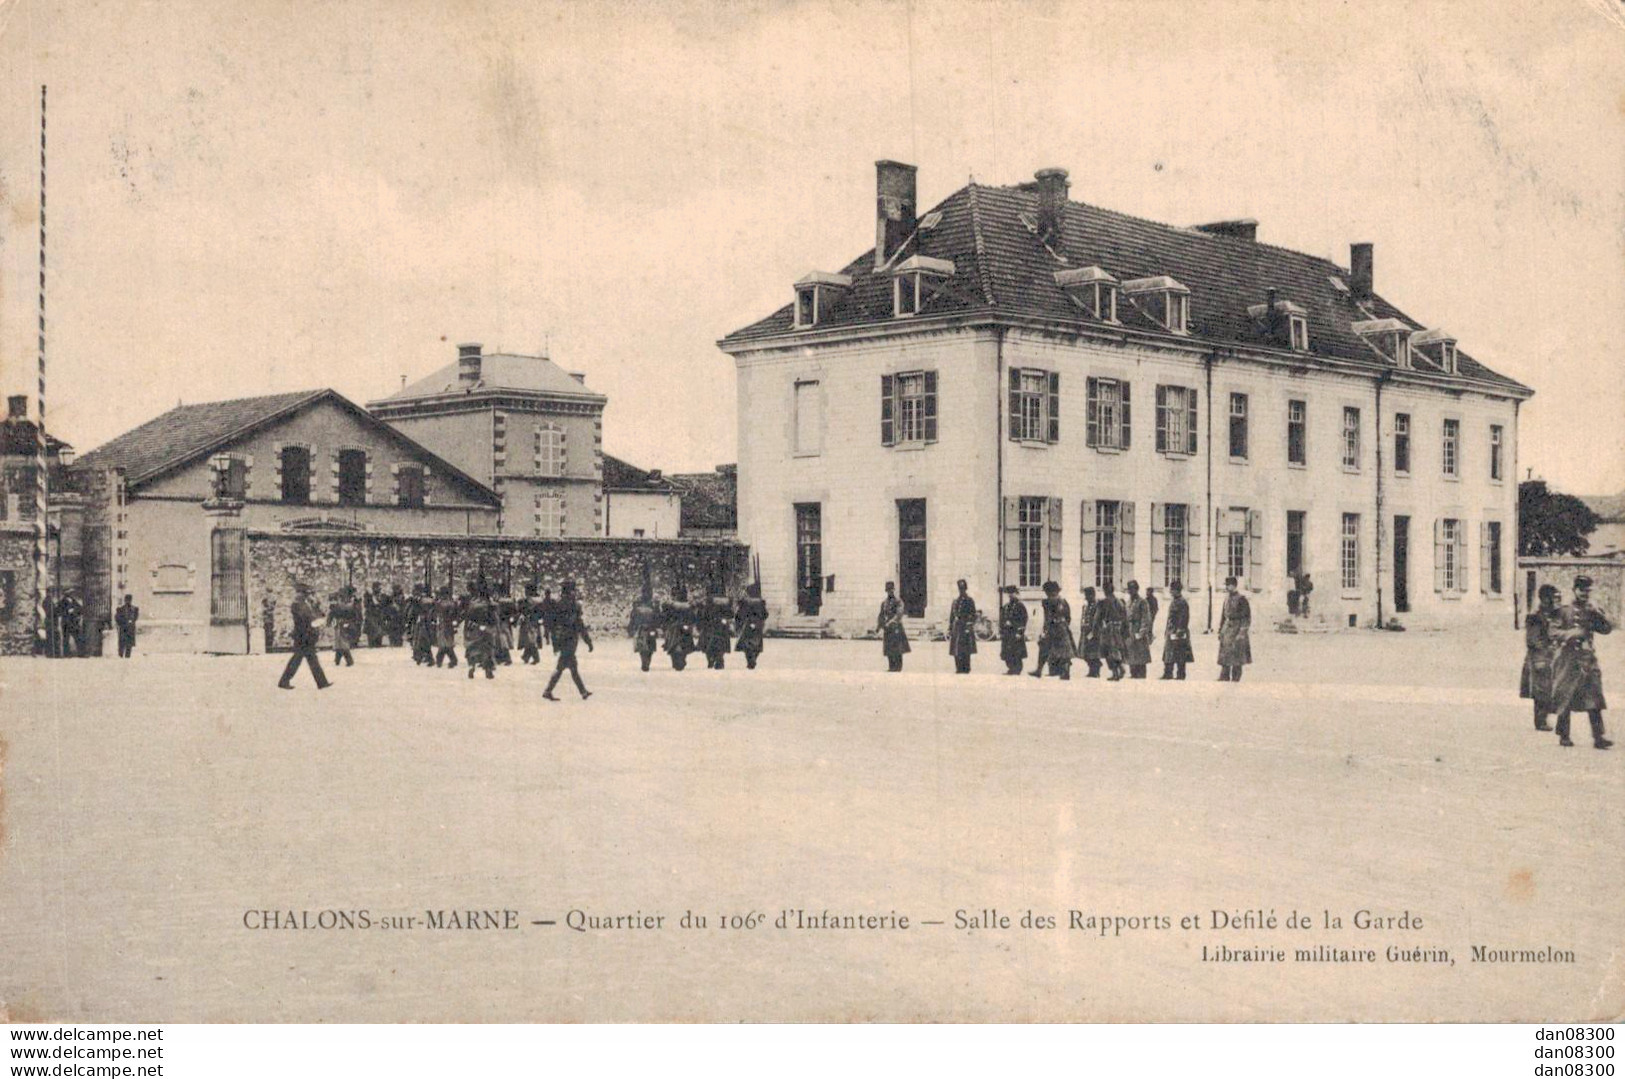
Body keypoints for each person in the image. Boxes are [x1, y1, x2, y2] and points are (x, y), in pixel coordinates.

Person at [1551, 575, 1612, 750]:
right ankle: (1564, 735)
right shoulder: (1563, 610)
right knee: (1566, 697)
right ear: (1574, 590)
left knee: (1594, 698)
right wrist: (1573, 633)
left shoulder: (1591, 610)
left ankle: (1598, 737)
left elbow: (1606, 629)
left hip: (1587, 659)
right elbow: (1553, 632)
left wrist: (1599, 615)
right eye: (1581, 590)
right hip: (1568, 659)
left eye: (1587, 591)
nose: (1585, 594)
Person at [543, 581, 593, 701]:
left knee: (570, 666)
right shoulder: (573, 605)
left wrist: (554, 640)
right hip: (570, 639)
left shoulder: (558, 604)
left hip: (562, 639)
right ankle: (548, 691)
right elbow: (580, 625)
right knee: (564, 666)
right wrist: (588, 641)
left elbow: (552, 623)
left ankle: (583, 691)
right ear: (571, 591)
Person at [1521, 584, 1562, 731]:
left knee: (1549, 688)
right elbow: (1532, 640)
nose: (1555, 601)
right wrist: (1546, 649)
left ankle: (1546, 718)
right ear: (1545, 599)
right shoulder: (1535, 616)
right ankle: (1540, 721)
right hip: (1539, 658)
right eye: (1553, 598)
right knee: (1541, 691)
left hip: (1550, 657)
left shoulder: (1553, 614)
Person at [278, 582, 331, 690]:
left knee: (308, 659)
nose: (308, 595)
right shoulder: (298, 605)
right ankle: (284, 681)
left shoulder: (305, 604)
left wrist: (316, 607)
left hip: (306, 636)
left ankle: (322, 683)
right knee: (300, 659)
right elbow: (307, 618)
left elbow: (313, 615)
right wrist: (316, 619)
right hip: (303, 636)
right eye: (307, 593)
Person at [1030, 581, 1073, 679]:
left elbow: (1047, 617)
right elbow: (1068, 617)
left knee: (1044, 647)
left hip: (1052, 628)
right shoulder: (1064, 601)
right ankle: (1065, 672)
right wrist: (1064, 625)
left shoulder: (1047, 602)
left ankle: (1039, 670)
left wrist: (1045, 630)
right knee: (1064, 651)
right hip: (1063, 628)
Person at [1217, 576, 1252, 682]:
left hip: (1237, 628)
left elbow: (1246, 617)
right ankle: (1224, 675)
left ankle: (1236, 677)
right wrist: (1220, 630)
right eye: (1226, 585)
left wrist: (1242, 632)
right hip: (1227, 628)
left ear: (1234, 585)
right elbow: (1223, 616)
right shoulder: (1226, 598)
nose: (1227, 588)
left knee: (1237, 654)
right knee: (1225, 653)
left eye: (1228, 585)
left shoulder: (1242, 599)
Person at [1161, 580, 1194, 680]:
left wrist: (1180, 629)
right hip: (1171, 630)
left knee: (1180, 653)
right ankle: (1168, 673)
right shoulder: (1175, 601)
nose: (1170, 592)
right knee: (1169, 652)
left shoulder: (1182, 602)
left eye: (1172, 590)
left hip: (1179, 631)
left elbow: (1184, 617)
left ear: (1177, 590)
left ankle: (1181, 674)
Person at [463, 587, 497, 680]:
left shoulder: (473, 604)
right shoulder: (491, 605)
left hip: (475, 630)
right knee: (487, 650)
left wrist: (468, 630)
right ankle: (488, 670)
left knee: (473, 649)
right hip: (487, 630)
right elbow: (494, 619)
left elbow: (468, 618)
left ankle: (472, 666)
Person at [734, 584, 769, 670]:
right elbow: (765, 614)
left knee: (747, 644)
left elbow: (739, 614)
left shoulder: (745, 602)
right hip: (758, 624)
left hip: (747, 624)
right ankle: (753, 659)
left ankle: (750, 660)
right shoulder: (760, 602)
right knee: (757, 645)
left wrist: (739, 623)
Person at [1097, 582, 1128, 681]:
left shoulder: (1103, 602)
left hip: (1108, 629)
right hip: (1118, 629)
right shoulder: (1120, 601)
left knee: (1108, 652)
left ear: (1105, 591)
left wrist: (1097, 628)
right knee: (1115, 651)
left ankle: (1116, 672)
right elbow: (1124, 616)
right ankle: (1120, 669)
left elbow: (1098, 618)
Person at [698, 587, 734, 670]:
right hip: (721, 626)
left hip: (711, 625)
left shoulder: (708, 602)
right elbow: (731, 614)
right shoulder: (725, 603)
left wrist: (701, 623)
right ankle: (718, 658)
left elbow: (703, 615)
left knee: (705, 639)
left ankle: (711, 658)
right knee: (724, 639)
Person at [947, 579, 978, 674]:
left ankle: (966, 667)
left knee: (965, 649)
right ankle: (958, 667)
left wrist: (969, 625)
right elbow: (952, 616)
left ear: (966, 588)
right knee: (956, 649)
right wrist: (950, 628)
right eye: (960, 588)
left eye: (963, 588)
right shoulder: (955, 601)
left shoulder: (969, 601)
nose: (961, 590)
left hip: (965, 627)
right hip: (957, 628)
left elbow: (973, 614)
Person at [1124, 580, 1154, 679]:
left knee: (1140, 655)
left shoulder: (1142, 602)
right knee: (1131, 653)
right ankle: (1133, 673)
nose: (1130, 591)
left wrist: (1141, 632)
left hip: (1138, 630)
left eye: (1132, 589)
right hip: (1129, 631)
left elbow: (1146, 618)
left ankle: (1141, 675)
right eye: (1129, 589)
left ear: (1136, 589)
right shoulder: (1128, 602)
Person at [878, 581, 910, 672]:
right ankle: (891, 666)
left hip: (896, 628)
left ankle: (898, 667)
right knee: (889, 648)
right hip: (888, 629)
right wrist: (879, 626)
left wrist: (891, 622)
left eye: (891, 590)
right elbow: (881, 615)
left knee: (898, 648)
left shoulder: (898, 601)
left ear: (894, 590)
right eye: (888, 590)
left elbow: (899, 614)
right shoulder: (884, 603)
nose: (890, 592)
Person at [628, 585, 661, 672]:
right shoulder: (640, 602)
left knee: (650, 644)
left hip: (650, 627)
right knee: (642, 644)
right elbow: (633, 615)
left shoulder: (653, 603)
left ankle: (646, 661)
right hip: (642, 627)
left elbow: (658, 616)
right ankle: (645, 661)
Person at [998, 585, 1028, 676]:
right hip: (1007, 633)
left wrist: (1020, 632)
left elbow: (1023, 619)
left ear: (1016, 594)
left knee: (1016, 651)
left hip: (1015, 632)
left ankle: (1017, 669)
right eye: (1009, 594)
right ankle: (1010, 668)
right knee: (1007, 651)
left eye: (1012, 593)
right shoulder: (1006, 606)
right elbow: (1001, 618)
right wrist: (1002, 630)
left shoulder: (1020, 606)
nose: (1011, 595)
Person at [663, 587, 695, 671]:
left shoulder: (686, 606)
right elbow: (666, 615)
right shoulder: (674, 605)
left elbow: (692, 616)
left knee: (686, 638)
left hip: (680, 625)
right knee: (672, 636)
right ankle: (669, 645)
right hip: (676, 626)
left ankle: (672, 646)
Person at [329, 587, 358, 667]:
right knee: (339, 643)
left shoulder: (343, 605)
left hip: (343, 624)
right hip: (340, 624)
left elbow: (347, 611)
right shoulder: (343, 604)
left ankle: (347, 660)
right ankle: (337, 660)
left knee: (342, 643)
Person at [1077, 587, 1103, 677]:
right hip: (1085, 631)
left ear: (1092, 595)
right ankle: (1092, 670)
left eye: (1087, 595)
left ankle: (1095, 671)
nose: (1086, 597)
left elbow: (1098, 619)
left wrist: (1094, 632)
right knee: (1085, 652)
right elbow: (1083, 616)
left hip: (1094, 632)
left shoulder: (1098, 605)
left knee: (1093, 653)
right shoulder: (1086, 605)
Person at [433, 587, 460, 668]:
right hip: (449, 625)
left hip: (443, 624)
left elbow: (436, 612)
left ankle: (441, 659)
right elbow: (455, 614)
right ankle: (450, 660)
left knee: (444, 644)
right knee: (447, 643)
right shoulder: (452, 603)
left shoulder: (440, 603)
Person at [408, 585, 436, 665]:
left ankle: (424, 656)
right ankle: (420, 656)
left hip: (423, 622)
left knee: (422, 639)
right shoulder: (420, 600)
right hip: (421, 622)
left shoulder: (423, 600)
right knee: (420, 640)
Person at [518, 584, 545, 666]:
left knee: (530, 640)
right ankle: (526, 656)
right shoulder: (539, 601)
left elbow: (523, 609)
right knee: (530, 639)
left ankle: (535, 658)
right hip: (534, 622)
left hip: (529, 622)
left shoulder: (528, 601)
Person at [58, 591, 83, 658]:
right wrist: (67, 611)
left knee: (77, 637)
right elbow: (59, 612)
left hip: (73, 622)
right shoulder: (62, 602)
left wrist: (74, 610)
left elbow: (80, 609)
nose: (71, 594)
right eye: (69, 593)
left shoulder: (73, 600)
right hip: (66, 622)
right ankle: (66, 654)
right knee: (66, 638)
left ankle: (80, 653)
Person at [114, 594, 140, 658]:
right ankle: (120, 655)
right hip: (123, 628)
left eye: (129, 600)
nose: (128, 601)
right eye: (127, 600)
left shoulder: (135, 609)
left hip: (130, 629)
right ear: (125, 600)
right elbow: (117, 618)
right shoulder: (120, 609)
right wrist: (123, 622)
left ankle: (127, 657)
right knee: (122, 644)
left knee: (129, 644)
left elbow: (135, 617)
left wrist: (131, 621)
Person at [363, 582, 387, 648]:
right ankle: (371, 644)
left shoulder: (382, 596)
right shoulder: (367, 595)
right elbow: (366, 605)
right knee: (371, 632)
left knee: (379, 633)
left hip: (379, 616)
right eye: (378, 587)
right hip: (371, 616)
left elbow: (383, 604)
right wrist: (372, 596)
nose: (379, 589)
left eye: (380, 588)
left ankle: (378, 644)